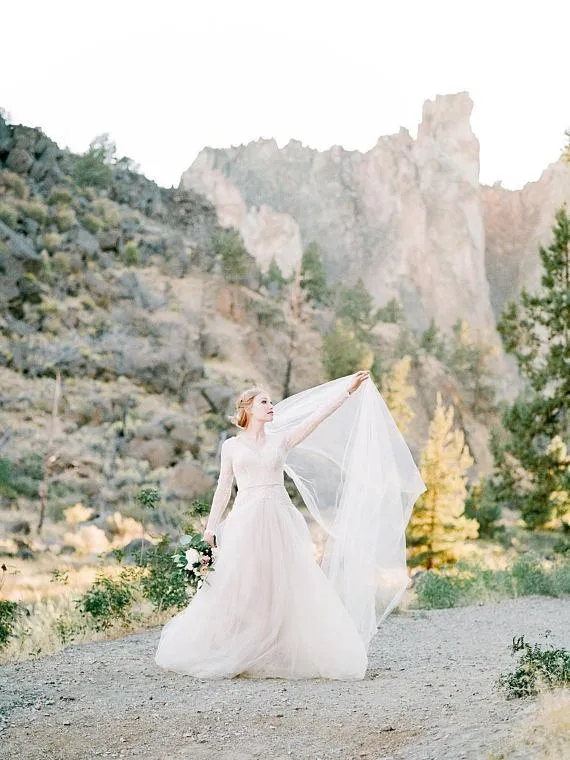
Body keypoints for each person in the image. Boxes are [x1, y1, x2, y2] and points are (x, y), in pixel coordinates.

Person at [155, 370, 426, 680]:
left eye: (271, 402)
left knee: (285, 581)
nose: (272, 406)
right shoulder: (231, 446)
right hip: (246, 519)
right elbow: (223, 487)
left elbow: (317, 417)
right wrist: (211, 528)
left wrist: (347, 392)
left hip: (278, 516)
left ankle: (280, 647)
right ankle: (237, 644)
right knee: (244, 583)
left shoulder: (281, 439)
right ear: (248, 408)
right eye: (264, 402)